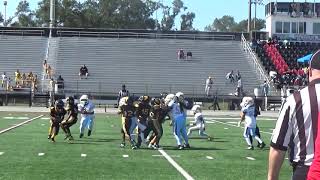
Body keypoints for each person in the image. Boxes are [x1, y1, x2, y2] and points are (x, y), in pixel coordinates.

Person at [268, 50, 320, 180]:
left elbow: (278, 146)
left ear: (310, 71)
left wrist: (272, 177)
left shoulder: (295, 99)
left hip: (305, 170)